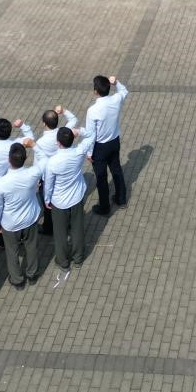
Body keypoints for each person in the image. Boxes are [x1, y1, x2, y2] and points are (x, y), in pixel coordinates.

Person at [44, 126, 93, 279]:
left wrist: (47, 199)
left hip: (59, 202)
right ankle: (78, 258)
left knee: (60, 234)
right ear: (73, 139)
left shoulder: (53, 162)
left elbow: (49, 184)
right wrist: (80, 131)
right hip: (76, 197)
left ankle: (63, 262)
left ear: (58, 143)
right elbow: (92, 136)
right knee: (77, 228)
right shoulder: (79, 152)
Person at [0, 142, 43, 288]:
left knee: (12, 251)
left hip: (10, 223)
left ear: (9, 159)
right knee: (31, 247)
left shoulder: (1, 183)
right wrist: (34, 145)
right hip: (30, 219)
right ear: (25, 158)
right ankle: (32, 274)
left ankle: (17, 280)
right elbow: (44, 159)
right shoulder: (33, 173)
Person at [84, 75, 129, 215]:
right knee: (116, 169)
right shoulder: (115, 100)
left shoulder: (92, 110)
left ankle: (104, 207)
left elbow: (91, 134)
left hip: (100, 148)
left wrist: (89, 153)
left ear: (95, 91)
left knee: (101, 177)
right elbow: (124, 91)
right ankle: (121, 198)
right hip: (114, 142)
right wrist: (116, 82)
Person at [32, 106, 80, 235]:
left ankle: (49, 227)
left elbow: (37, 163)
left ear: (43, 123)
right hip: (63, 170)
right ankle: (67, 221)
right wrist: (64, 111)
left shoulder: (40, 142)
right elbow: (73, 119)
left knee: (48, 205)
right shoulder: (64, 132)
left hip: (47, 175)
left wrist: (36, 180)